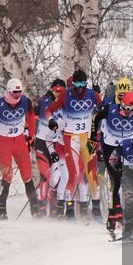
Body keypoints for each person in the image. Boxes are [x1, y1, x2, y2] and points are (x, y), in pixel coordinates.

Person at [44, 70, 102, 220]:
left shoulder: (92, 95)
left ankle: (96, 210)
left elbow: (103, 109)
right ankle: (69, 210)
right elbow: (48, 110)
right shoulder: (66, 95)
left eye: (83, 84)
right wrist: (51, 121)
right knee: (74, 175)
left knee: (92, 174)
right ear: (73, 83)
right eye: (77, 84)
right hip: (71, 139)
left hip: (88, 139)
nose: (80, 87)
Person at [0, 78, 39, 219]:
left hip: (19, 142)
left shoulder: (25, 101)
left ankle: (35, 208)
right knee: (7, 175)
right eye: (14, 92)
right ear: (8, 92)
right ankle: (2, 207)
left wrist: (31, 136)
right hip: (4, 143)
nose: (17, 95)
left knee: (27, 175)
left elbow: (31, 115)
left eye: (19, 92)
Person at [93, 90, 133, 234]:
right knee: (115, 180)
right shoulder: (110, 109)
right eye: (125, 109)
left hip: (126, 148)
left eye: (131, 110)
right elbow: (97, 119)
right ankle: (112, 214)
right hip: (110, 148)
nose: (128, 112)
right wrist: (93, 139)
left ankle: (123, 212)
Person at [34, 78, 66, 215]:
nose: (58, 93)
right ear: (52, 90)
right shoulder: (45, 101)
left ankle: (53, 203)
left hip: (57, 144)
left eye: (61, 91)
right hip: (42, 142)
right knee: (45, 175)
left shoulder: (67, 103)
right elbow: (34, 116)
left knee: (56, 177)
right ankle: (41, 204)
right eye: (56, 90)